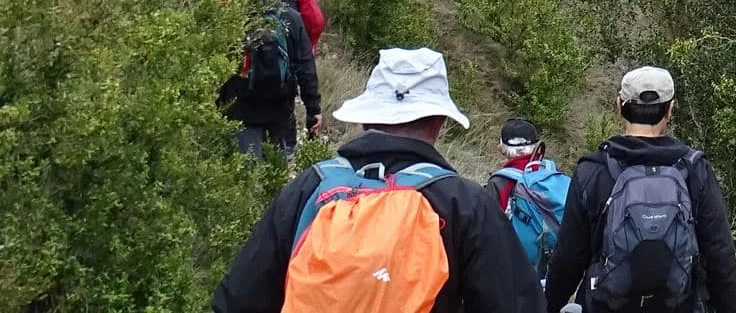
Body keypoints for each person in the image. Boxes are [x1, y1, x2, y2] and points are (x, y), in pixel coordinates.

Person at [213, 48, 542, 313]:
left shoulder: (310, 187)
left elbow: (237, 299)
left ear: (366, 117)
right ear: (439, 122)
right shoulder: (464, 205)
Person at [544, 68, 736, 313]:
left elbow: (568, 259)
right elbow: (720, 257)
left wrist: (550, 305)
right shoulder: (694, 169)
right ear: (671, 110)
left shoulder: (593, 170)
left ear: (619, 106)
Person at [218, 0, 320, 160]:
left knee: (246, 171)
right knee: (277, 171)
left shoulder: (231, 18)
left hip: (240, 108)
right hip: (278, 107)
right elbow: (306, 66)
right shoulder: (290, 17)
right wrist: (313, 109)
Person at [490, 119, 572, 285]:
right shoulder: (552, 173)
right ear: (537, 146)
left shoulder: (499, 182)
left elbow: (491, 230)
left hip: (516, 268)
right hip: (554, 265)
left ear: (501, 149)